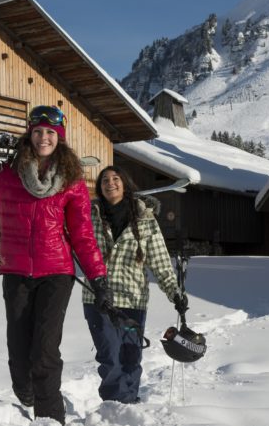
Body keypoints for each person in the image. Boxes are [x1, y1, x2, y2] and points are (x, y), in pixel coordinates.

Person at [0, 105, 112, 425]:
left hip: (57, 273)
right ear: (30, 135)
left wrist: (99, 279)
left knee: (45, 354)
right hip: (16, 271)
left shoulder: (72, 182)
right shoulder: (8, 173)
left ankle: (51, 418)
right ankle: (26, 394)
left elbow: (83, 235)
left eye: (50, 133)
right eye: (38, 132)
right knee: (19, 357)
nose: (44, 137)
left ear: (59, 138)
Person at [82, 166, 189, 405]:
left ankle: (129, 404)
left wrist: (175, 293)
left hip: (133, 301)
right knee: (110, 357)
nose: (110, 183)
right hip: (99, 299)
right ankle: (114, 408)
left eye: (116, 178)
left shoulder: (145, 220)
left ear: (125, 183)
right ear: (100, 188)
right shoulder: (90, 217)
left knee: (131, 356)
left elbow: (159, 261)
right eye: (105, 180)